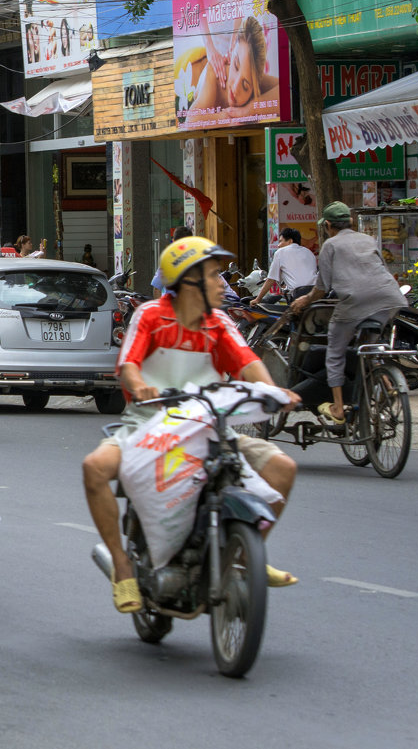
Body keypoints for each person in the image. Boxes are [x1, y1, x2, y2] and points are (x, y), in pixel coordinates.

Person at [82, 236, 301, 613]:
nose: (223, 284)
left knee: (283, 468)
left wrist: (273, 392)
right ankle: (122, 567)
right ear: (188, 281)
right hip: (150, 423)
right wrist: (139, 387)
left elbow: (248, 362)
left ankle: (246, 555)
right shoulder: (149, 315)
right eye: (215, 275)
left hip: (207, 426)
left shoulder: (219, 324)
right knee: (94, 469)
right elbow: (129, 365)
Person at [289, 202, 408, 426]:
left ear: (328, 225)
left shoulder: (330, 245)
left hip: (355, 303)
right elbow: (378, 269)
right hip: (389, 300)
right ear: (351, 222)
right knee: (369, 346)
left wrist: (304, 300)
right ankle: (388, 384)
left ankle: (337, 407)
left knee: (335, 351)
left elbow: (321, 288)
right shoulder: (367, 239)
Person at [252, 227, 317, 305]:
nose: (278, 245)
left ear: (290, 241)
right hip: (315, 293)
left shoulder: (280, 253)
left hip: (299, 295)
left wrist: (258, 299)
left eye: (280, 241)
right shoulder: (309, 252)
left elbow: (271, 279)